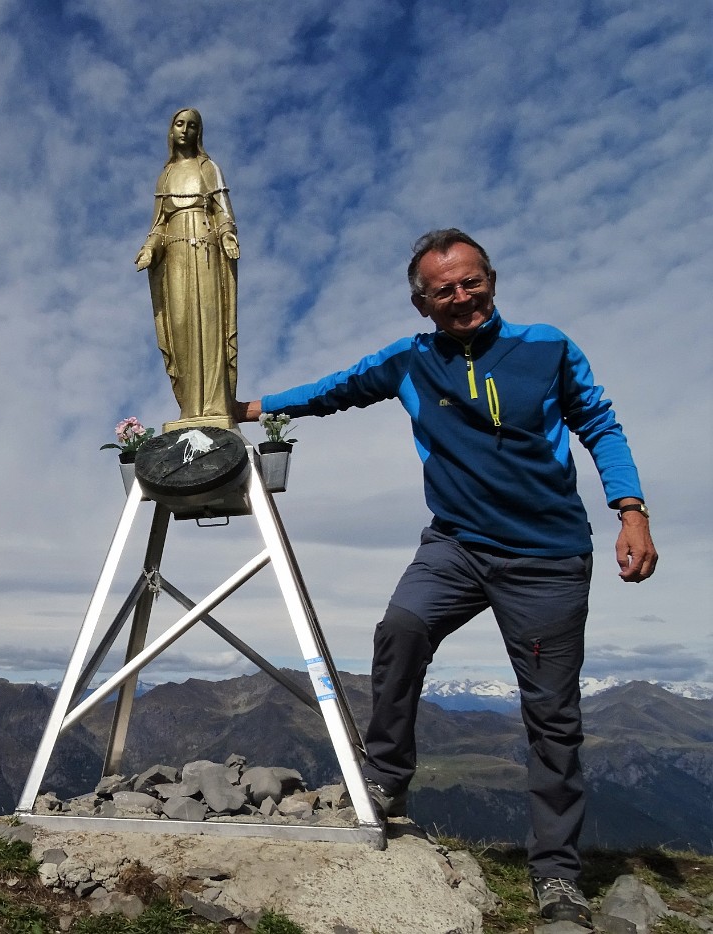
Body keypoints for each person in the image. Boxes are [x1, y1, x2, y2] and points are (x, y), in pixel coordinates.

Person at [238, 228, 657, 928]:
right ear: (421, 303)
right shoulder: (411, 360)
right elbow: (334, 390)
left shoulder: (547, 346)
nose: (463, 297)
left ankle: (556, 879)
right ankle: (389, 778)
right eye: (445, 290)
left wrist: (631, 510)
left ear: (491, 278)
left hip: (548, 558)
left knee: (552, 718)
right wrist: (250, 410)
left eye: (472, 281)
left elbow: (601, 425)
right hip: (456, 547)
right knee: (402, 627)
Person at [135, 108, 240, 430]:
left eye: (192, 126)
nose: (185, 130)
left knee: (208, 325)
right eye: (180, 124)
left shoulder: (208, 168)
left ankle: (214, 405)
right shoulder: (165, 175)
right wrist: (149, 248)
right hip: (176, 256)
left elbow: (223, 212)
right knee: (180, 327)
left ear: (199, 133)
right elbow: (159, 224)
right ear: (171, 130)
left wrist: (227, 235)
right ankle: (190, 408)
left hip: (206, 251)